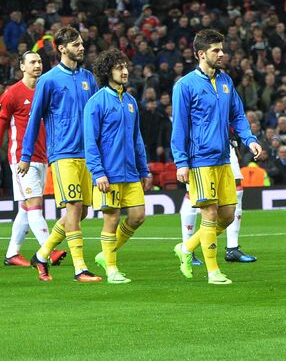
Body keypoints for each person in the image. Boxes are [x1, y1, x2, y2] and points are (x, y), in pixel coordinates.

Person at [171, 29, 267, 284]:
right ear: (201, 54)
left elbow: (237, 114)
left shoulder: (226, 81)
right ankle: (213, 271)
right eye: (216, 50)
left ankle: (187, 247)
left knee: (227, 214)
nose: (222, 54)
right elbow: (179, 126)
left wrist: (250, 140)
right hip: (199, 159)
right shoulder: (185, 85)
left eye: (222, 49)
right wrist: (181, 162)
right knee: (210, 214)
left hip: (224, 157)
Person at [20, 25, 99, 282]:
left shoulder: (89, 77)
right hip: (63, 153)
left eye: (81, 43)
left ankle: (41, 255)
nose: (81, 47)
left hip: (88, 154)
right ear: (62, 48)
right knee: (74, 207)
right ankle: (80, 269)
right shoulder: (49, 80)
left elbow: (97, 117)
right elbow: (34, 120)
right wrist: (26, 155)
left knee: (83, 210)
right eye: (76, 44)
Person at [83, 49, 150, 283]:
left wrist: (144, 169)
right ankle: (111, 269)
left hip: (131, 172)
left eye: (125, 67)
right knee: (111, 219)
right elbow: (90, 142)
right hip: (108, 174)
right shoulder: (96, 102)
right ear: (107, 71)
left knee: (138, 216)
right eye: (119, 67)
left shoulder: (131, 101)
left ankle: (105, 254)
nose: (124, 71)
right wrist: (97, 172)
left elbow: (136, 138)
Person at [3, 51, 60, 266]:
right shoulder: (13, 93)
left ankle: (12, 254)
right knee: (35, 203)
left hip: (43, 156)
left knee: (26, 208)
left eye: (39, 61)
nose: (37, 65)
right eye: (32, 62)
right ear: (22, 67)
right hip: (21, 159)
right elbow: (1, 123)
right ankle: (49, 251)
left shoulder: (46, 90)